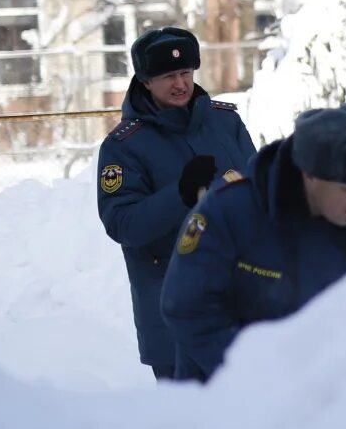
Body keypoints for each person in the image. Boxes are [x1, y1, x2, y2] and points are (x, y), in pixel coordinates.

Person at [162, 102, 346, 382]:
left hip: (331, 408)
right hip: (224, 399)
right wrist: (261, 378)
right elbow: (188, 307)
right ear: (309, 174)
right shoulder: (230, 213)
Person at [96, 26, 256, 379]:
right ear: (145, 81)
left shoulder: (225, 122)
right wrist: (180, 195)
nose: (180, 83)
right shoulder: (124, 146)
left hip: (240, 310)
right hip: (174, 319)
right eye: (168, 76)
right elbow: (122, 223)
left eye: (185, 73)